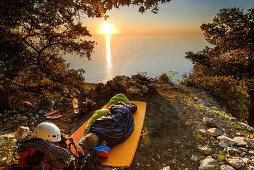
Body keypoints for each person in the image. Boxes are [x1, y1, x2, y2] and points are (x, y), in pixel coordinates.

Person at [79, 94, 137, 159]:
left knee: (121, 110)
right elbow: (106, 118)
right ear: (93, 133)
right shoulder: (95, 127)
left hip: (124, 116)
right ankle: (122, 106)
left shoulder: (109, 142)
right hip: (121, 112)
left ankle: (123, 108)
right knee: (117, 102)